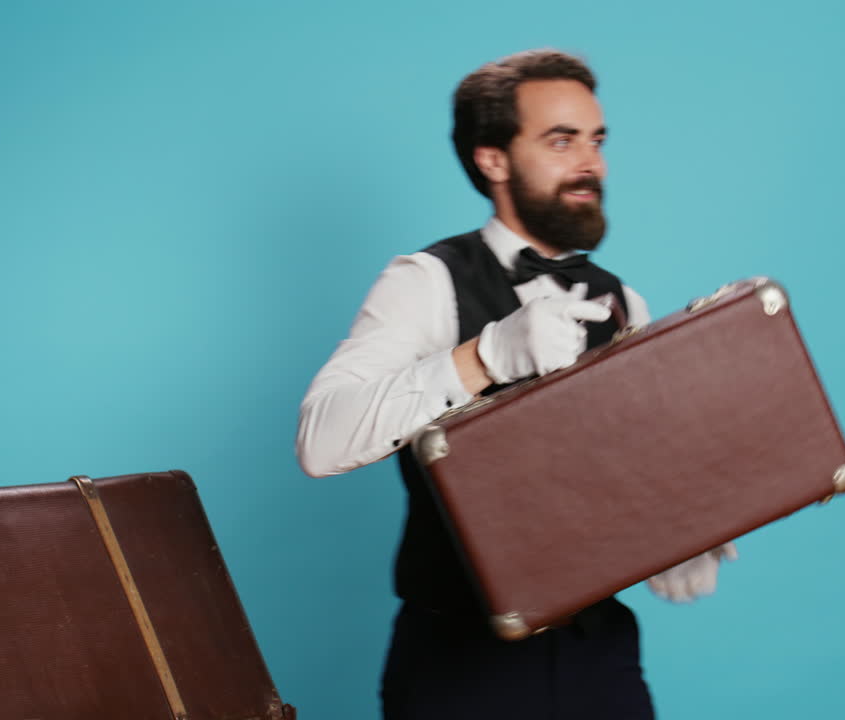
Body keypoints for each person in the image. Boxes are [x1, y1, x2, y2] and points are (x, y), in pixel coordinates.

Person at [296, 49, 735, 720]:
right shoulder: (426, 281)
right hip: (461, 667)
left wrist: (674, 537)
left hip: (600, 656)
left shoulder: (624, 302)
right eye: (561, 141)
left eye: (596, 141)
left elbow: (628, 472)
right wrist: (485, 356)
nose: (590, 163)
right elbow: (321, 439)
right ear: (492, 159)